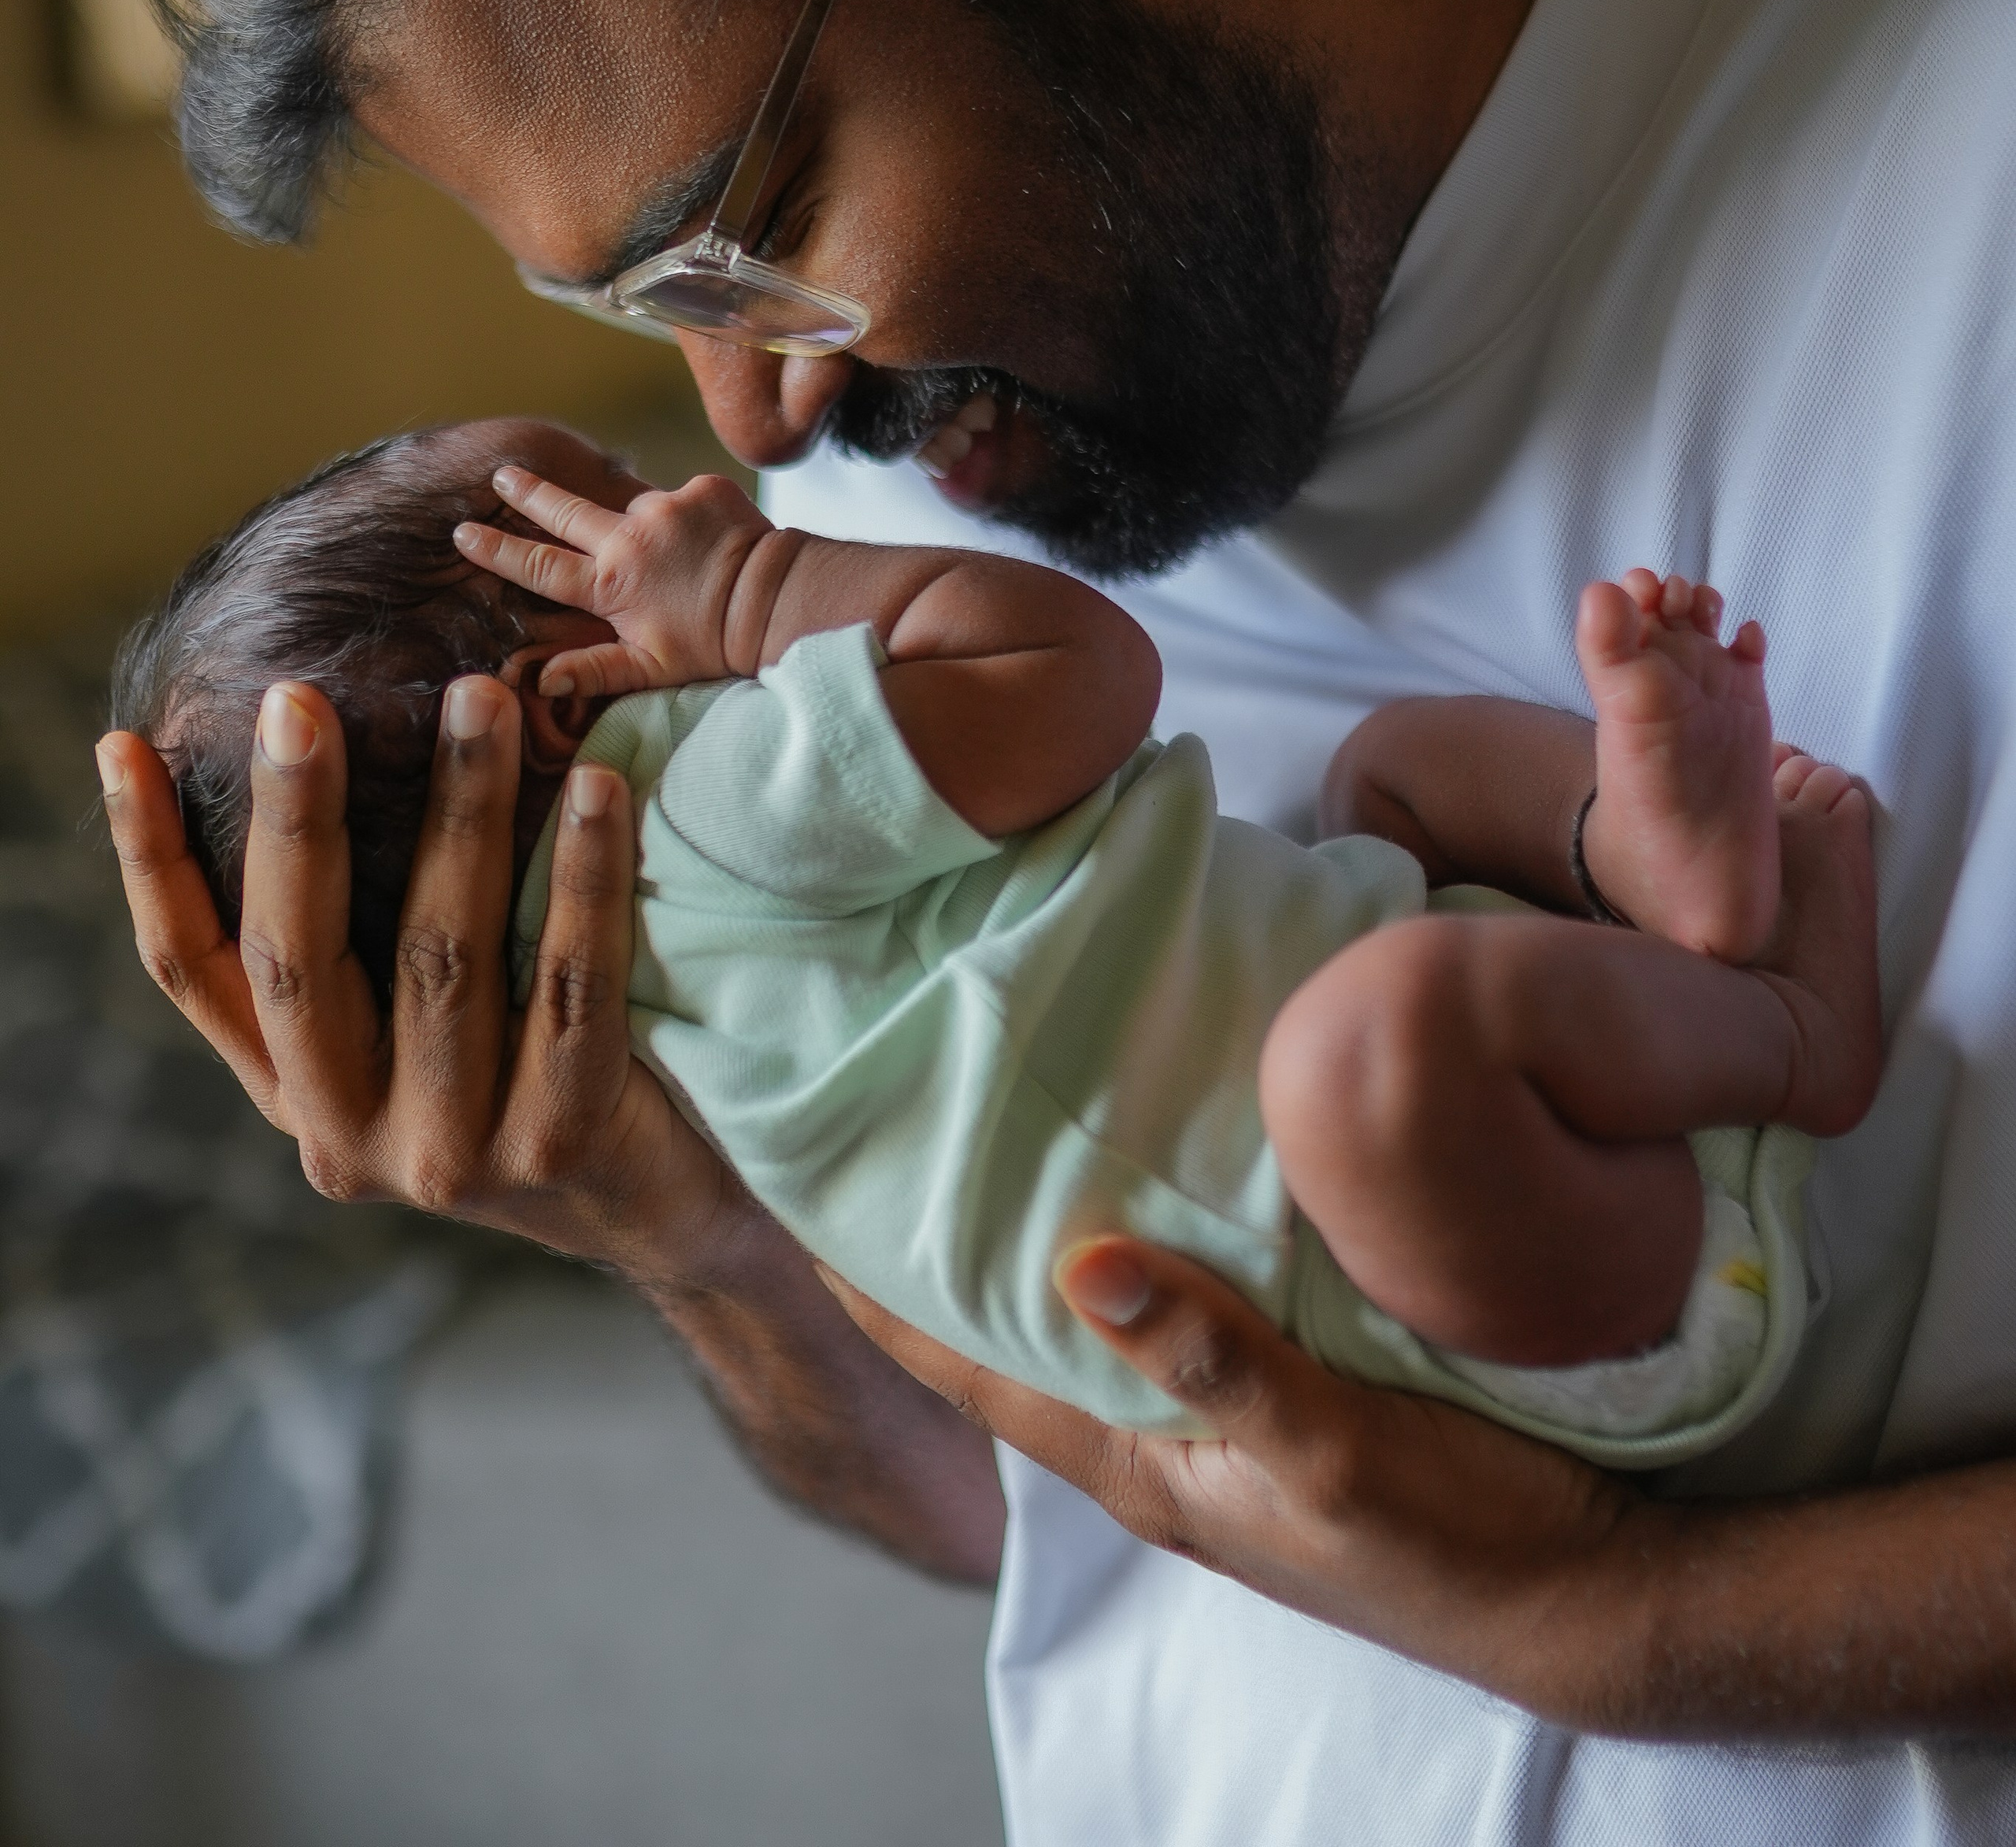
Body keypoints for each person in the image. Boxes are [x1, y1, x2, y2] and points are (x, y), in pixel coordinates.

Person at [93, 0, 2016, 1843]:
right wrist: (682, 1217)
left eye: (746, 238)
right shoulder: (909, 505)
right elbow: (1072, 1513)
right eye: (647, 331)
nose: (749, 421)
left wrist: (1641, 1632)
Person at [110, 415, 1879, 1457]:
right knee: (1384, 1017)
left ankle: (1638, 865)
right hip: (1533, 1314)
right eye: (623, 515)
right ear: (565, 700)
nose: (697, 499)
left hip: (1445, 1267)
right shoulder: (713, 794)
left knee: (1389, 785)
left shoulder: (625, 1045)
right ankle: (1788, 1024)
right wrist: (747, 596)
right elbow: (1082, 675)